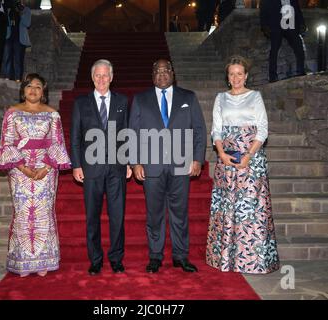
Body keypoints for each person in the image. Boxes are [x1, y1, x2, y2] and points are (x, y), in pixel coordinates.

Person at [129, 59, 207, 273]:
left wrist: (198, 159)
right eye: (157, 71)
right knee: (154, 215)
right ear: (152, 75)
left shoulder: (188, 97)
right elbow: (133, 133)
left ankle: (180, 256)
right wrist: (135, 162)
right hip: (151, 166)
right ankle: (155, 256)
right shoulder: (140, 99)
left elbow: (199, 130)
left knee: (180, 213)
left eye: (166, 70)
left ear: (173, 72)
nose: (162, 74)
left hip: (181, 165)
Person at [206, 55, 280, 274]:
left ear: (246, 76)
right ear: (227, 77)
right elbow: (216, 129)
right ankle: (225, 258)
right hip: (226, 160)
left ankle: (254, 261)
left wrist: (248, 155)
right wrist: (220, 153)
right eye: (232, 74)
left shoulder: (255, 96)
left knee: (251, 210)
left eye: (240, 73)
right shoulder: (220, 98)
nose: (236, 77)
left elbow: (263, 129)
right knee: (227, 208)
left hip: (252, 160)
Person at [0, 73, 71, 277]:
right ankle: (23, 261)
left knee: (43, 212)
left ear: (43, 91)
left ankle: (44, 260)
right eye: (29, 86)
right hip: (19, 170)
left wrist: (45, 167)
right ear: (23, 90)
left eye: (37, 86)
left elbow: (57, 143)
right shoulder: (13, 112)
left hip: (47, 169)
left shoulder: (52, 114)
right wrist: (23, 167)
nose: (33, 90)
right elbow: (7, 143)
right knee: (23, 212)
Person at [70, 59, 131, 275]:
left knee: (117, 216)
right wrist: (76, 164)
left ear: (112, 77)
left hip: (116, 167)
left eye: (106, 75)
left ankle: (116, 258)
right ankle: (95, 259)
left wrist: (129, 162)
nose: (102, 79)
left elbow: (126, 134)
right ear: (92, 78)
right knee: (92, 217)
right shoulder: (81, 103)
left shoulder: (123, 100)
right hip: (91, 168)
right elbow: (75, 136)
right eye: (98, 75)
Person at [260, 0, 306, 82]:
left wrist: (302, 23)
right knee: (274, 50)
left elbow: (297, 9)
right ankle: (273, 76)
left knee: (299, 47)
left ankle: (301, 71)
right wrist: (264, 26)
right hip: (276, 24)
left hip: (291, 23)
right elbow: (263, 9)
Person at [2, 0, 31, 81]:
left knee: (18, 60)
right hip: (9, 37)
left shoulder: (26, 10)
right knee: (7, 59)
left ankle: (18, 79)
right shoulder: (8, 9)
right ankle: (8, 78)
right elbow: (4, 22)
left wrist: (20, 12)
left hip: (19, 39)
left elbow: (27, 23)